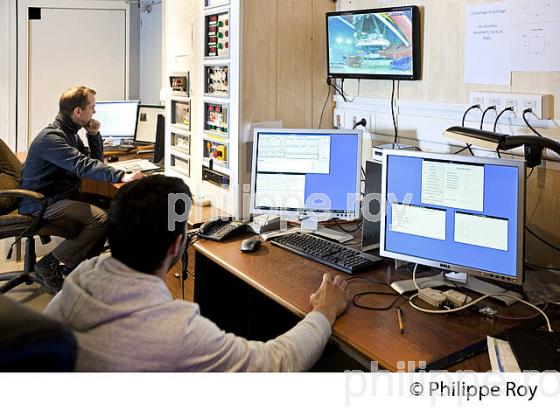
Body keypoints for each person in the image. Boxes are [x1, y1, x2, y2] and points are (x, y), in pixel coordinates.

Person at [44, 176, 351, 371]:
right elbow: (274, 364)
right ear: (178, 243)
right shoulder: (178, 332)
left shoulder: (79, 281)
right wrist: (323, 312)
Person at [19, 85, 143, 290]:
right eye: (92, 107)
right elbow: (83, 166)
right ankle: (48, 264)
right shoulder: (52, 138)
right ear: (78, 111)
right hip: (40, 201)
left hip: (59, 195)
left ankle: (79, 268)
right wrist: (121, 175)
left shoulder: (70, 133)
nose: (94, 112)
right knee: (100, 219)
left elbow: (94, 161)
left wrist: (93, 135)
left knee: (115, 207)